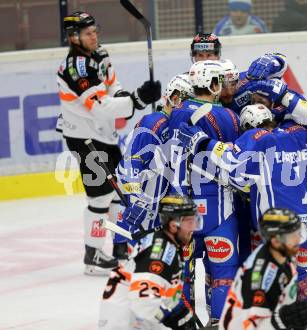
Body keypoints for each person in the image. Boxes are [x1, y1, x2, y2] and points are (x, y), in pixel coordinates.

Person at [178, 100, 307, 304]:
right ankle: (305, 319)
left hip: (278, 225)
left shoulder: (257, 138)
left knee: (270, 278)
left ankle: (280, 318)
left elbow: (232, 163)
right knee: (299, 276)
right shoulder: (297, 134)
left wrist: (200, 141)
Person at [56, 11, 162, 275]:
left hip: (104, 135)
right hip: (85, 137)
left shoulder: (100, 55)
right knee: (100, 194)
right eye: (88, 33)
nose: (94, 36)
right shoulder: (76, 68)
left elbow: (114, 88)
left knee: (119, 190)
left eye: (95, 31)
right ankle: (92, 255)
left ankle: (120, 246)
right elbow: (101, 107)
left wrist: (132, 96)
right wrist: (137, 100)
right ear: (73, 37)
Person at [168, 60, 241, 325]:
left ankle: (185, 324)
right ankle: (219, 321)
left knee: (183, 275)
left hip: (183, 210)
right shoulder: (229, 117)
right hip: (221, 210)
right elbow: (237, 163)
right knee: (222, 274)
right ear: (213, 83)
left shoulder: (177, 113)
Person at [113, 74, 195, 259]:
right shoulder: (153, 123)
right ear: (174, 98)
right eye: (187, 101)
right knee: (139, 270)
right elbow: (130, 164)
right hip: (144, 212)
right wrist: (136, 200)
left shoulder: (182, 126)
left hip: (164, 210)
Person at [98, 194, 201, 329]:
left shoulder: (165, 244)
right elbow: (143, 305)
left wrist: (181, 315)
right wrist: (174, 319)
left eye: (194, 221)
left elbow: (164, 294)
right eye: (189, 222)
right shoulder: (159, 254)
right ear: (173, 225)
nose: (193, 228)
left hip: (131, 317)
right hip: (126, 322)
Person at [219, 208, 307, 329]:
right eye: (292, 236)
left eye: (298, 233)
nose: (298, 239)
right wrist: (286, 321)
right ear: (276, 241)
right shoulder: (261, 275)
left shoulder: (285, 255)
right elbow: (253, 325)